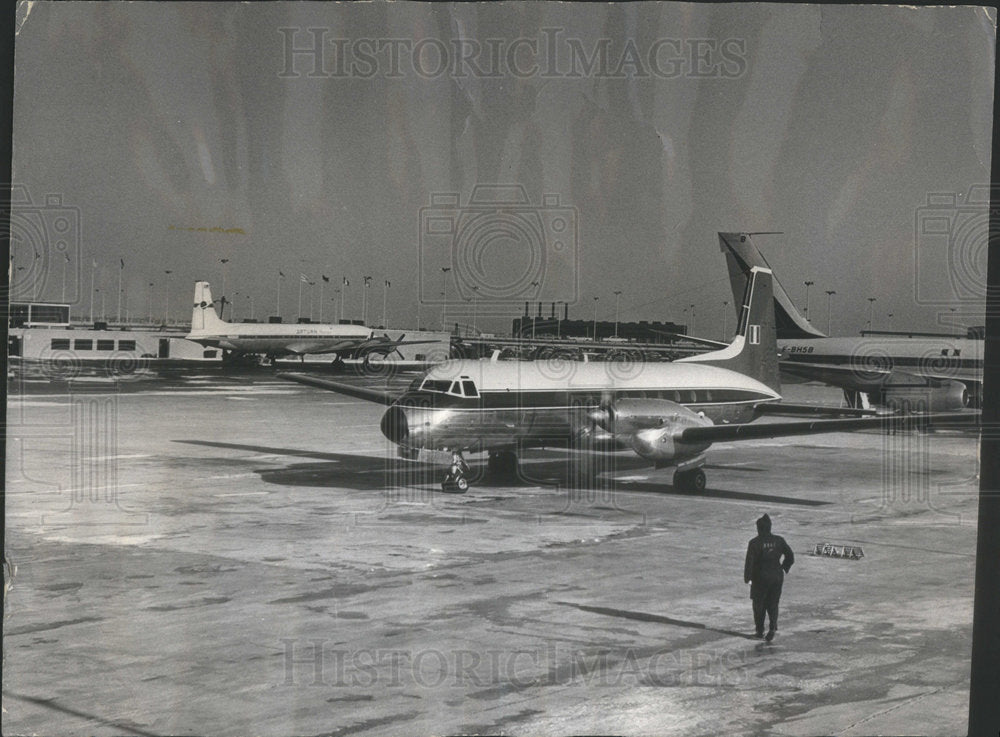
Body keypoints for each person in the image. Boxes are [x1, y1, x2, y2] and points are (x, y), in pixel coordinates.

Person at [744, 514, 794, 641]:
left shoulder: (754, 543)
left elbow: (749, 562)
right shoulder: (779, 540)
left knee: (758, 604)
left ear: (759, 528)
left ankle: (760, 631)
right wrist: (784, 567)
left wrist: (748, 578)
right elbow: (790, 556)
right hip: (777, 576)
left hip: (760, 577)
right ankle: (772, 627)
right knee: (773, 603)